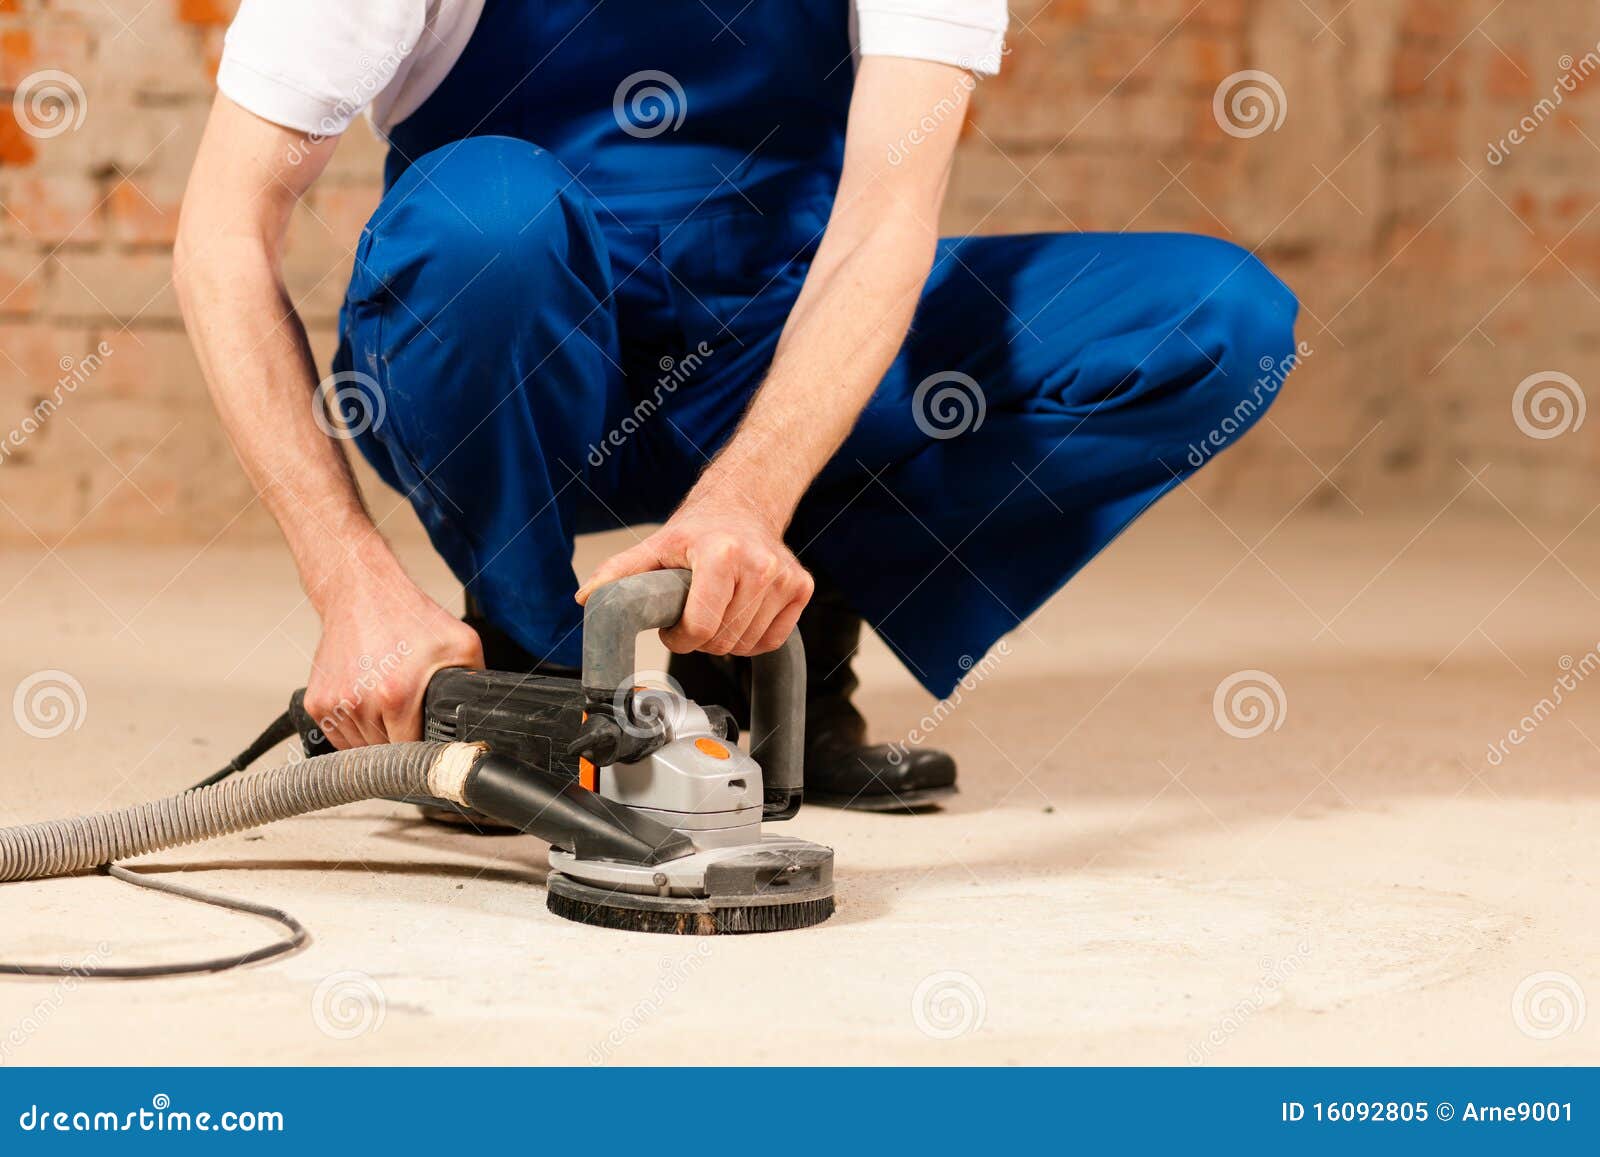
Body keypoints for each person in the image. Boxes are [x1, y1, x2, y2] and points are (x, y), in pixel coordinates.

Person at [175, 0, 1299, 815]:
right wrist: (351, 585)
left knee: (1211, 324)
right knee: (487, 229)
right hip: (518, 368)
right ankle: (525, 677)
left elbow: (880, 224)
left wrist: (751, 497)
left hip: (771, 367)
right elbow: (223, 230)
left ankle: (763, 644)